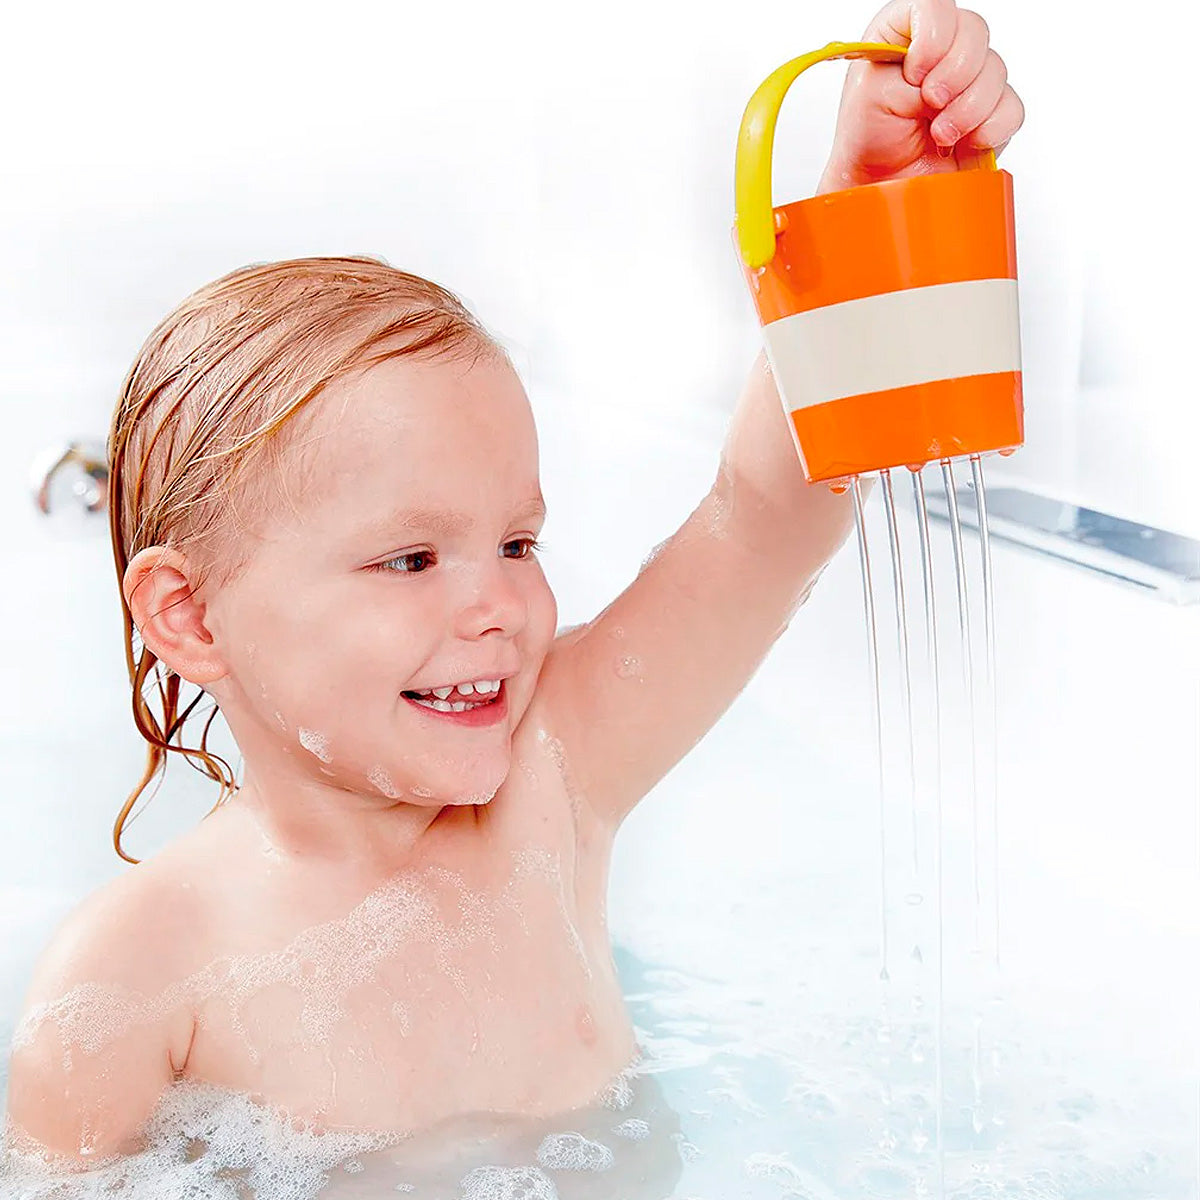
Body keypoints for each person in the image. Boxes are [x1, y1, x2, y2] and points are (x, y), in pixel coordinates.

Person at [4, 0, 1023, 1170]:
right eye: (411, 559)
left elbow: (760, 528)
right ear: (189, 617)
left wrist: (863, 213)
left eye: (518, 544)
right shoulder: (129, 980)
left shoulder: (555, 776)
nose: (496, 605)